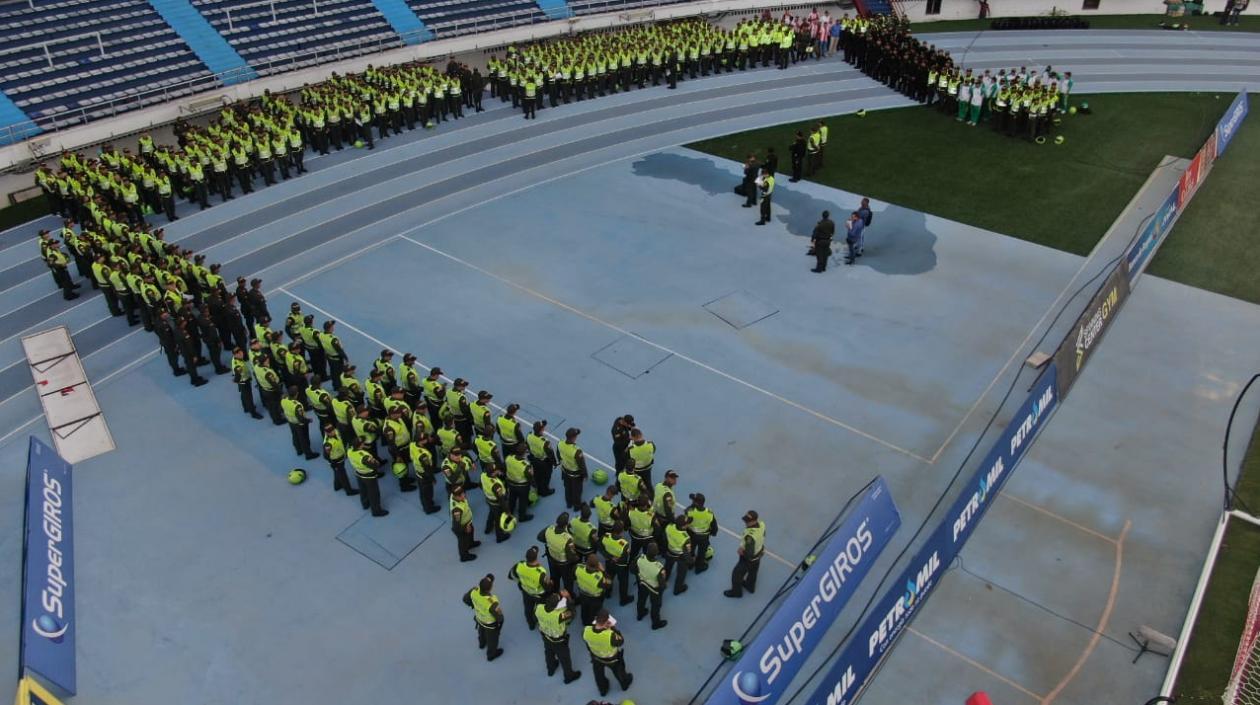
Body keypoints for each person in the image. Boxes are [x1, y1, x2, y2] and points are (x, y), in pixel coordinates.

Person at [583, 609, 633, 698]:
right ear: (607, 621)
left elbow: (587, 643)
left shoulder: (586, 630)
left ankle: (603, 690)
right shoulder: (610, 635)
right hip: (612, 659)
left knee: (598, 674)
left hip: (596, 657)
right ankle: (624, 684)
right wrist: (613, 628)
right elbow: (621, 641)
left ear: (595, 619)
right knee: (619, 672)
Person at [536, 592, 583, 684]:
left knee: (549, 653)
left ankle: (551, 669)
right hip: (559, 641)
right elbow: (573, 613)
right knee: (564, 658)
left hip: (546, 636)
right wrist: (568, 598)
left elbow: (536, 618)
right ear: (556, 606)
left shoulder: (539, 608)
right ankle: (569, 676)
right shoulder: (559, 616)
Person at [462, 574, 505, 661]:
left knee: (481, 632)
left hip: (479, 619)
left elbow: (465, 599)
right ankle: (491, 655)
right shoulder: (492, 602)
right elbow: (499, 617)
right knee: (492, 640)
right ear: (490, 588)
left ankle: (482, 644)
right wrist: (500, 623)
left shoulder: (474, 591)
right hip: (490, 624)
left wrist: (474, 605)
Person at [724, 510, 766, 598]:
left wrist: (741, 551)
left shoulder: (750, 536)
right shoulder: (762, 525)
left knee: (736, 574)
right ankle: (750, 587)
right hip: (758, 554)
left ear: (754, 520)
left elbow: (749, 554)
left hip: (748, 559)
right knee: (753, 572)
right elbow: (763, 536)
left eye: (748, 521)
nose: (746, 523)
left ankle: (736, 593)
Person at [509, 546, 551, 630]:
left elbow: (511, 575)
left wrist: (521, 583)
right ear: (536, 557)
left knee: (528, 609)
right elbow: (547, 588)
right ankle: (541, 623)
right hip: (539, 595)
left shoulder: (519, 565)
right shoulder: (541, 572)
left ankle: (531, 625)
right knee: (542, 610)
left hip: (526, 592)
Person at [539, 512, 578, 594]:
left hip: (552, 560)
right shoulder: (567, 539)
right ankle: (568, 595)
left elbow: (539, 537)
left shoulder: (549, 529)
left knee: (554, 578)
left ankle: (555, 592)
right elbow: (571, 557)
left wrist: (550, 542)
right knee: (567, 581)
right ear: (566, 524)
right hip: (564, 565)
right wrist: (577, 559)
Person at [349, 438, 389, 518]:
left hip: (359, 473)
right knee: (373, 493)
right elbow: (375, 465)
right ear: (360, 446)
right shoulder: (364, 457)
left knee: (363, 490)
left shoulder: (350, 451)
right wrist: (376, 462)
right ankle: (376, 511)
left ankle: (365, 504)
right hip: (369, 476)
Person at [634, 541, 668, 630]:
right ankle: (655, 623)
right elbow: (662, 584)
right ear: (656, 553)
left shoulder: (639, 558)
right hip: (654, 589)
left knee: (641, 599)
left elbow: (633, 569)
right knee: (655, 606)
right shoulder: (659, 568)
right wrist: (663, 589)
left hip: (642, 583)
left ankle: (640, 614)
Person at [281, 386, 321, 460]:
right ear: (296, 394)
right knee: (304, 439)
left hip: (291, 422)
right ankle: (308, 454)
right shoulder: (297, 406)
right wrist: (308, 420)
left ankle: (299, 450)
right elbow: (301, 419)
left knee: (295, 436)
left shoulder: (283, 400)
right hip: (299, 424)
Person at [601, 520, 634, 606]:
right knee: (623, 582)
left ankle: (607, 593)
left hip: (609, 562)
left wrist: (610, 557)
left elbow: (601, 547)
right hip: (621, 566)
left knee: (609, 577)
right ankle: (623, 599)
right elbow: (625, 559)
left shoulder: (605, 536)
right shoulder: (625, 544)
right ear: (622, 531)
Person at [321, 423, 359, 497]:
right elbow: (326, 456)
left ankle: (337, 485)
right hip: (336, 461)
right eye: (329, 431)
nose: (332, 431)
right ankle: (349, 490)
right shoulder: (328, 444)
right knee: (343, 475)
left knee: (337, 473)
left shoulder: (336, 431)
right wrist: (333, 464)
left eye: (332, 429)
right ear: (326, 432)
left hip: (341, 457)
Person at [574, 553, 612, 625]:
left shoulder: (578, 567)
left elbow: (574, 576)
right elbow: (609, 584)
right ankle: (591, 624)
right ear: (597, 566)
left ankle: (584, 622)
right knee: (594, 613)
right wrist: (603, 571)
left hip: (582, 594)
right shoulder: (599, 578)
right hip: (595, 598)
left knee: (584, 609)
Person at [685, 493, 718, 573]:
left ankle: (690, 564)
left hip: (692, 535)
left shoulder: (690, 512)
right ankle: (699, 567)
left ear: (695, 502)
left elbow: (685, 522)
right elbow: (714, 526)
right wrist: (713, 533)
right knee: (701, 552)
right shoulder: (709, 513)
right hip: (704, 537)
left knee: (690, 550)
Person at [410, 430, 441, 514]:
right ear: (421, 441)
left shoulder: (413, 445)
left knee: (422, 492)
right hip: (425, 475)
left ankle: (427, 504)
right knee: (427, 492)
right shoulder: (423, 456)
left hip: (418, 472)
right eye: (426, 439)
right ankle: (429, 508)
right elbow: (428, 469)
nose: (428, 439)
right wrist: (433, 479)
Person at [558, 427, 589, 510]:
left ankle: (569, 503)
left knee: (567, 488)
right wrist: (585, 475)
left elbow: (558, 454)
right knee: (577, 490)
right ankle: (577, 506)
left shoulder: (560, 443)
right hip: (575, 474)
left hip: (565, 470)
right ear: (574, 438)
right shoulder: (576, 451)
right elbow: (581, 465)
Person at [480, 463, 511, 543]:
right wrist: (507, 511)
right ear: (493, 473)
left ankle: (488, 528)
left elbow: (480, 485)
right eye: (496, 470)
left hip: (489, 501)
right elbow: (501, 500)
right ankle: (500, 537)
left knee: (491, 514)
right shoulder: (496, 486)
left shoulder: (483, 475)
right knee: (498, 520)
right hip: (497, 504)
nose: (497, 470)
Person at [663, 515, 693, 595]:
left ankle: (664, 580)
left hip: (670, 551)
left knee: (667, 566)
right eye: (687, 523)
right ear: (684, 526)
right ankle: (678, 589)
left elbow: (665, 538)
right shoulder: (685, 538)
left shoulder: (669, 527)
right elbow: (687, 553)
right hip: (680, 556)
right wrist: (691, 561)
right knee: (681, 573)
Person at [504, 446, 535, 521]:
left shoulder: (509, 458)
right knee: (522, 501)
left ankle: (510, 512)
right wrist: (534, 484)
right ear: (524, 453)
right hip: (522, 486)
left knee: (512, 498)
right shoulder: (526, 465)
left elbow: (505, 467)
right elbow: (529, 477)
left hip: (511, 483)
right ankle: (522, 516)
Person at [450, 484, 480, 561]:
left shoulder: (454, 495)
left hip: (467, 522)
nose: (463, 495)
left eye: (463, 493)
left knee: (471, 531)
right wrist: (465, 528)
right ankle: (464, 556)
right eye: (461, 495)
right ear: (456, 497)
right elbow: (456, 526)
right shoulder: (457, 510)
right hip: (461, 527)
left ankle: (470, 543)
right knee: (462, 542)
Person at [527, 420, 557, 497]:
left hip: (534, 459)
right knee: (546, 476)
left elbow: (527, 446)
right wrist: (554, 463)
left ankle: (537, 485)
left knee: (537, 474)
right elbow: (550, 454)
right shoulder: (545, 442)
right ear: (542, 430)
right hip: (543, 462)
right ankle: (544, 491)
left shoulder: (529, 436)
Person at [231, 347, 263, 419]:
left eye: (241, 352)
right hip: (244, 381)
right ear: (235, 355)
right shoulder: (238, 366)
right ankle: (253, 413)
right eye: (238, 353)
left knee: (243, 395)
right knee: (248, 397)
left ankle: (246, 407)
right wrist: (236, 380)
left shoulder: (235, 359)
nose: (241, 353)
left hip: (242, 381)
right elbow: (237, 376)